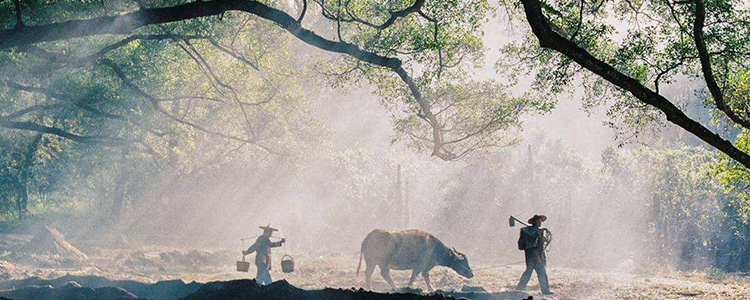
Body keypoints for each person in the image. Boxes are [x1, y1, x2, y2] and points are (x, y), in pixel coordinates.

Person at [516, 214, 552, 295]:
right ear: (534, 221)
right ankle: (545, 291)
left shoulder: (539, 231)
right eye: (538, 221)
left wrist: (542, 235)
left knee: (529, 272)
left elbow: (544, 242)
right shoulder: (526, 231)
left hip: (537, 255)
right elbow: (524, 244)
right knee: (541, 272)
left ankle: (519, 289)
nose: (540, 222)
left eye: (540, 221)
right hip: (532, 255)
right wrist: (537, 234)